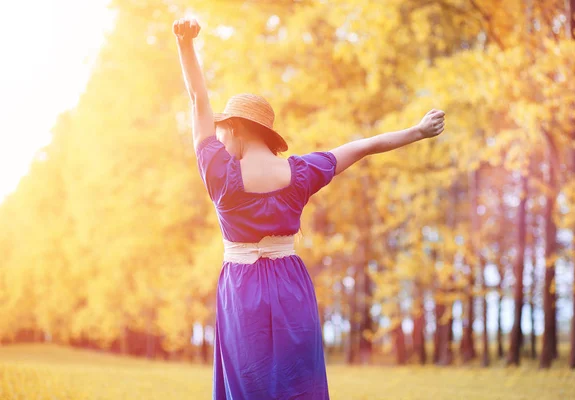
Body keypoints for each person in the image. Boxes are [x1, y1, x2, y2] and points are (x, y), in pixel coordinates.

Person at [173, 16, 445, 400]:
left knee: (247, 383)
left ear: (235, 129)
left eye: (222, 130)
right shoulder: (301, 173)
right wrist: (417, 131)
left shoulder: (219, 173)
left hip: (241, 288)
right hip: (290, 285)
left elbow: (198, 100)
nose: (218, 136)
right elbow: (362, 146)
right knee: (297, 383)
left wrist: (185, 44)